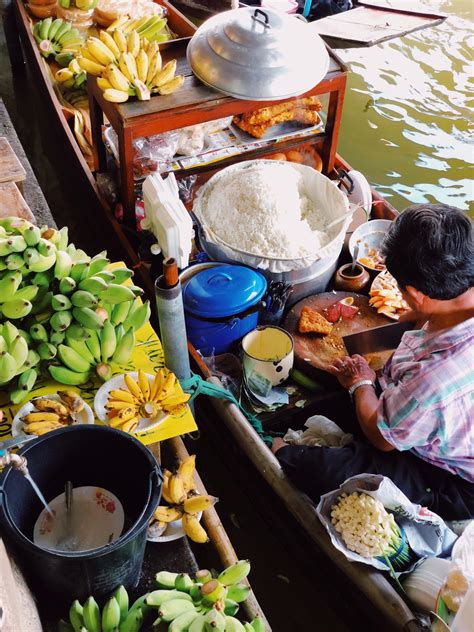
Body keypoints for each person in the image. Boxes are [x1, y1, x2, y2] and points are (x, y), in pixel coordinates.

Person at [272, 204, 474, 520]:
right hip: (440, 419)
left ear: (416, 293)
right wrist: (413, 319)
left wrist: (361, 383)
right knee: (310, 412)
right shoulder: (456, 297)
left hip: (452, 478)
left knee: (302, 463)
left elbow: (382, 438)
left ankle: (281, 453)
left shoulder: (432, 382)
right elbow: (418, 324)